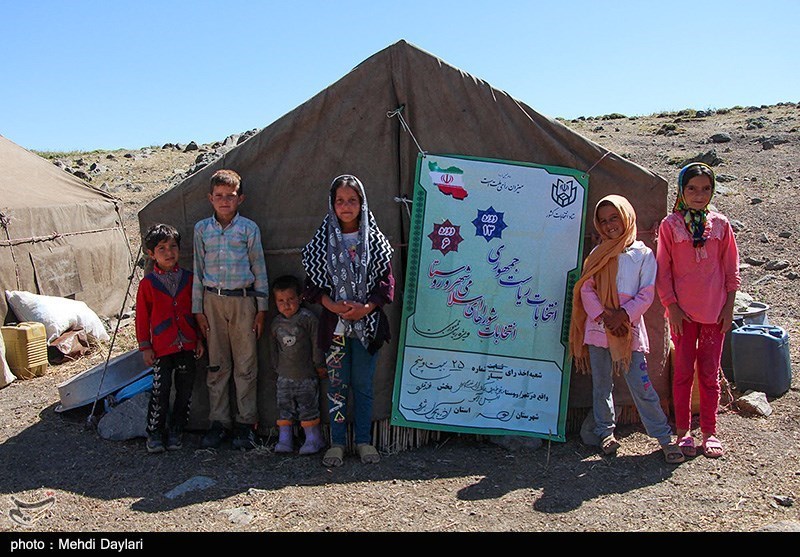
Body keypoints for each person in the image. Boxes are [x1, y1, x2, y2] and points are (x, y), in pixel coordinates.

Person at [569, 195, 684, 464]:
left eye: (615, 218)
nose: (609, 225)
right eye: (603, 220)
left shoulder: (643, 255)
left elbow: (646, 293)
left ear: (627, 218)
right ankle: (605, 432)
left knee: (641, 385)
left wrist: (622, 316)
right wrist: (604, 316)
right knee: (601, 385)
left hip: (628, 330)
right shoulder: (597, 254)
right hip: (599, 329)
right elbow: (586, 288)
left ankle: (663, 438)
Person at [301, 174, 395, 467]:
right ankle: (338, 443)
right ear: (332, 204)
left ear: (362, 203)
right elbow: (311, 287)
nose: (346, 206)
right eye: (340, 201)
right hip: (336, 329)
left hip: (368, 326)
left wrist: (366, 308)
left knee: (364, 385)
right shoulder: (321, 242)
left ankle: (364, 441)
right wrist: (332, 306)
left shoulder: (376, 241)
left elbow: (386, 284)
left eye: (352, 200)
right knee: (337, 385)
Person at [656, 162, 740, 459]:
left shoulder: (721, 225)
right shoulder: (670, 226)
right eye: (691, 188)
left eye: (705, 188)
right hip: (683, 315)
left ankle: (709, 431)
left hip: (715, 314)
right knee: (682, 373)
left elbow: (731, 269)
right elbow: (663, 270)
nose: (699, 195)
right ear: (682, 190)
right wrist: (672, 306)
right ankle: (683, 431)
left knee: (709, 374)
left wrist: (728, 308)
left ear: (712, 190)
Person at [192, 169, 269, 450]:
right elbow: (198, 270)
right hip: (212, 301)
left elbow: (259, 268)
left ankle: (246, 424)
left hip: (243, 301)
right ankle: (219, 422)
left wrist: (261, 309)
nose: (225, 201)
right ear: (210, 198)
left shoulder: (248, 229)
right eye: (219, 196)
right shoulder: (202, 230)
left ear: (240, 199)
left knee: (246, 364)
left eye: (231, 196)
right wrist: (198, 310)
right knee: (217, 364)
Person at [136, 223, 204, 454]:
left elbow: (196, 312)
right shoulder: (148, 284)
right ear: (151, 254)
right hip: (161, 348)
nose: (169, 253)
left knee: (185, 391)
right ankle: (154, 433)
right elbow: (142, 318)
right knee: (160, 391)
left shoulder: (189, 279)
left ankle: (177, 430)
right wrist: (145, 346)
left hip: (187, 345)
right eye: (162, 249)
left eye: (173, 246)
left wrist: (199, 339)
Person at [269, 275, 327, 455]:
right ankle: (285, 440)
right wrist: (276, 368)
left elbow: (317, 343)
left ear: (300, 298)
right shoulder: (276, 323)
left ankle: (313, 439)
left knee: (308, 407)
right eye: (281, 301)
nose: (286, 305)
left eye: (290, 299)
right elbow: (273, 349)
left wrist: (319, 364)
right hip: (284, 377)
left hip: (306, 375)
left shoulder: (307, 319)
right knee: (284, 408)